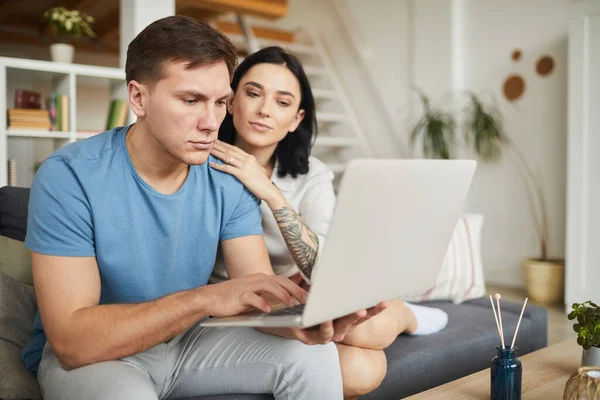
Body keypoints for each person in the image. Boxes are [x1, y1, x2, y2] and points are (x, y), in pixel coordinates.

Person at [20, 17, 385, 400]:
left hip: (191, 344)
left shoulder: (227, 177)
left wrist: (303, 317)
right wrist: (205, 299)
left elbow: (257, 295)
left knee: (315, 356)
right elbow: (72, 341)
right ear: (138, 97)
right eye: (191, 100)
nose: (211, 122)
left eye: (222, 103)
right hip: (100, 358)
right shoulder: (68, 176)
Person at [209, 46, 450, 399]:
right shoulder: (203, 159)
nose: (263, 110)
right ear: (231, 101)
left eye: (282, 102)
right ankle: (404, 315)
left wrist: (271, 193)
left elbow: (325, 267)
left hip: (302, 290)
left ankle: (407, 317)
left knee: (379, 326)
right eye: (253, 93)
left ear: (296, 118)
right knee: (361, 371)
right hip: (242, 304)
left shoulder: (313, 175)